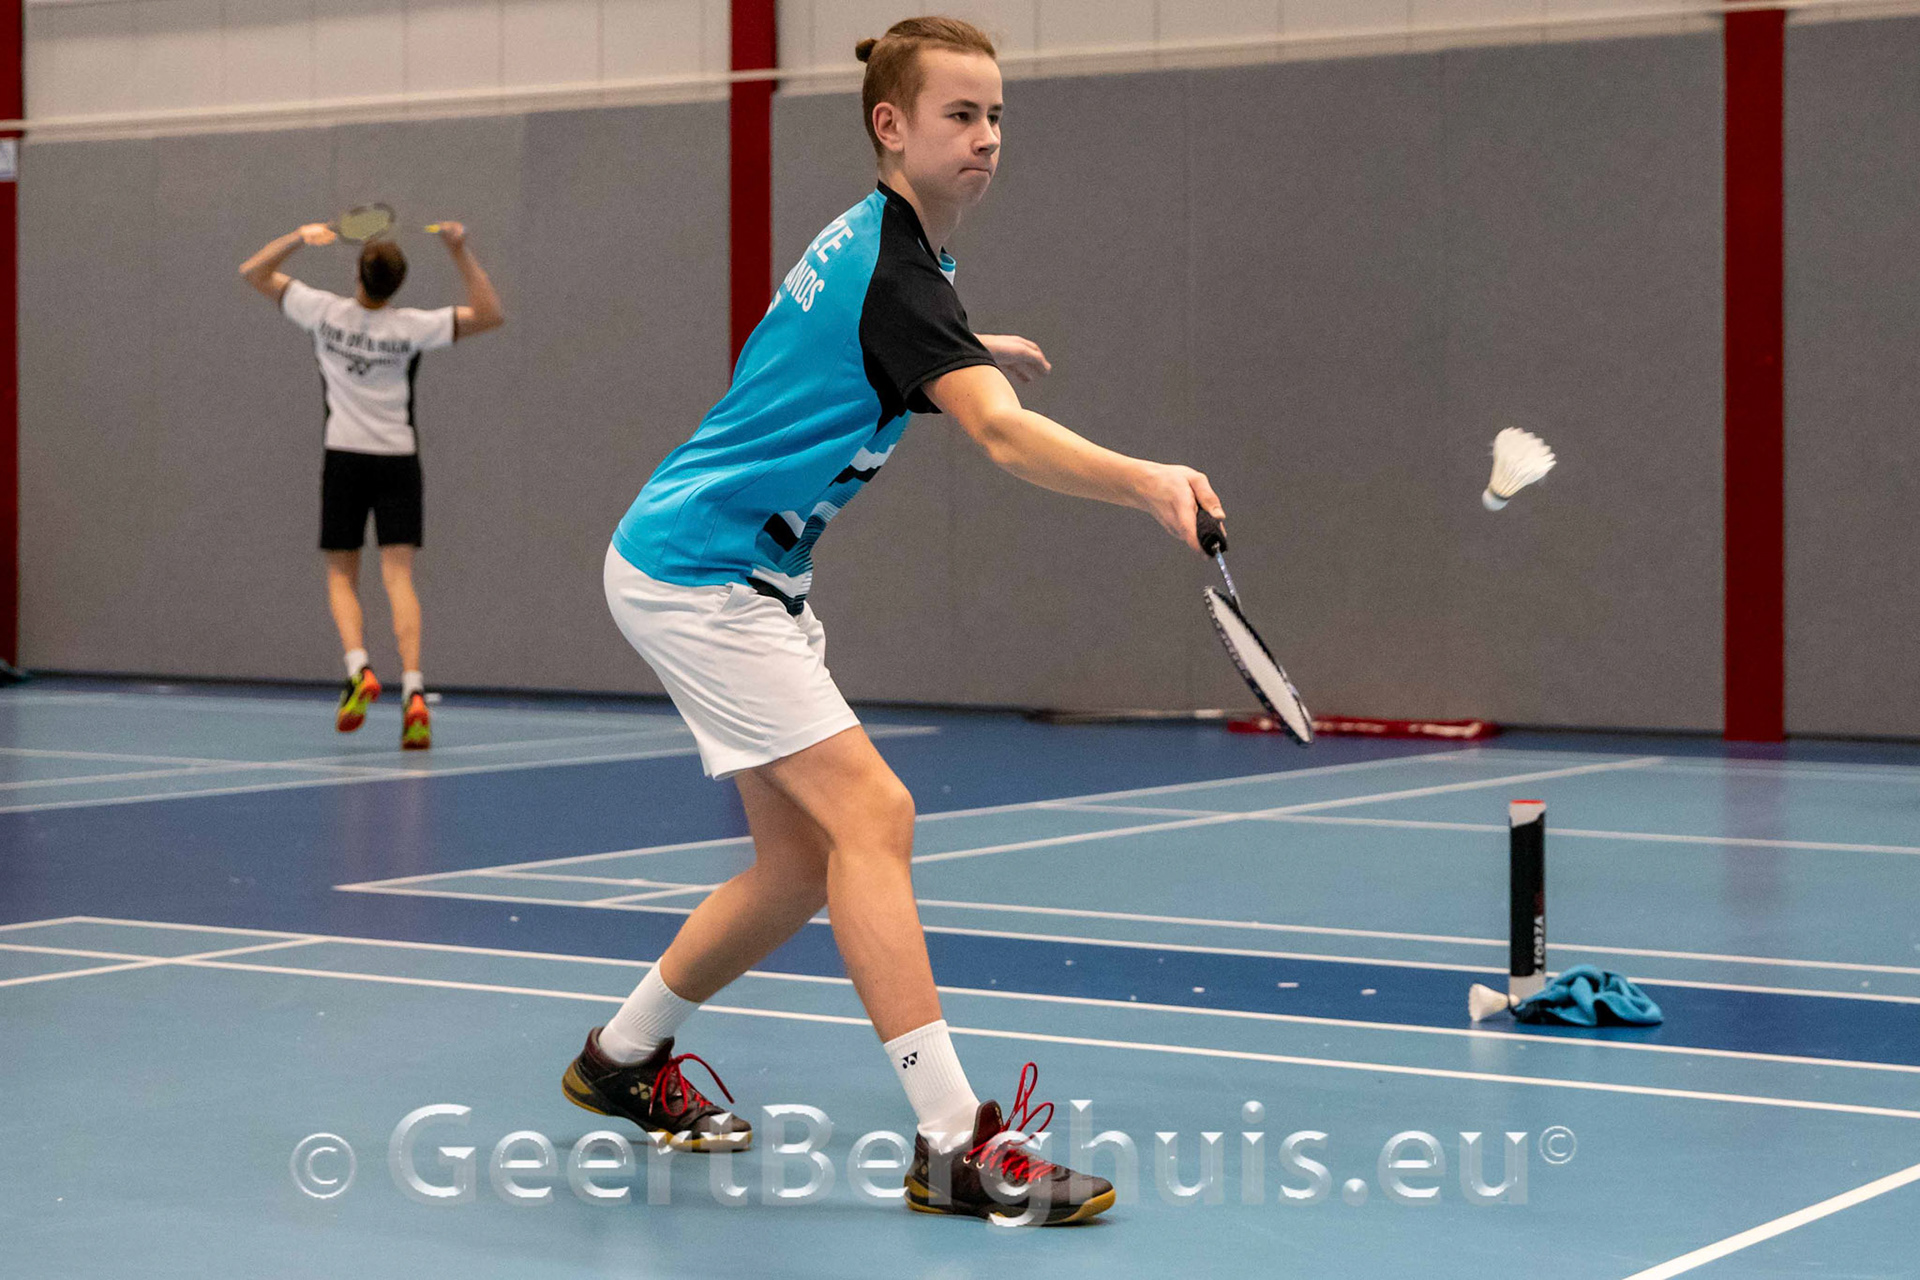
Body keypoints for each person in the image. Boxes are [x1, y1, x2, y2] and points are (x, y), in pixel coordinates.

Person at [563, 16, 1223, 1224]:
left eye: (996, 115)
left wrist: (961, 345)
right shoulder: (900, 277)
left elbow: (826, 352)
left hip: (739, 569)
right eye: (960, 115)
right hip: (699, 572)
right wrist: (1145, 480)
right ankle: (953, 1140)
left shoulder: (893, 251)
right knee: (877, 813)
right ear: (891, 125)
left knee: (798, 865)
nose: (987, 137)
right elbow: (1001, 433)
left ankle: (621, 1056)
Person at [239, 220, 504, 748]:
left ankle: (359, 668)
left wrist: (299, 237)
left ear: (357, 275)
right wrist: (459, 250)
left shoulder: (322, 312)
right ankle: (414, 690)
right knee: (398, 578)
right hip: (398, 460)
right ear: (397, 284)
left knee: (342, 575)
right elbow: (490, 314)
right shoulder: (411, 327)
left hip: (344, 458)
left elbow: (253, 272)